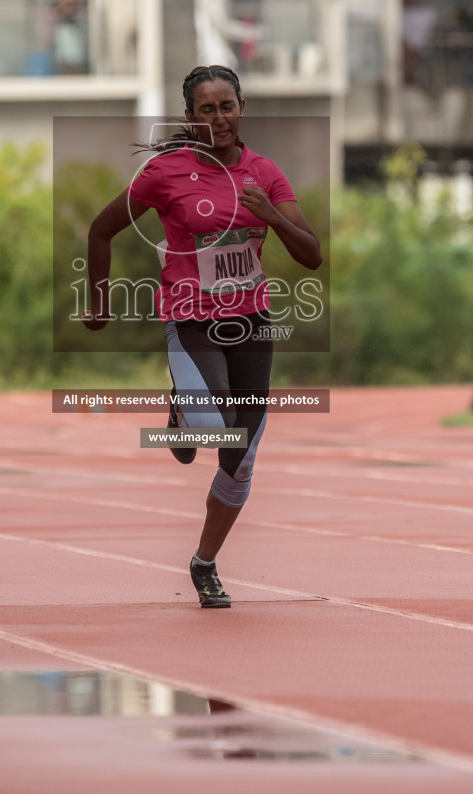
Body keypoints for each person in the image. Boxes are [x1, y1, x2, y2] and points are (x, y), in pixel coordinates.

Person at [83, 65, 323, 607]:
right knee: (218, 424)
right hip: (189, 316)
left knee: (240, 462)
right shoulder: (165, 172)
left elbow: (311, 256)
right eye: (207, 109)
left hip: (250, 321)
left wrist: (273, 217)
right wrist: (98, 302)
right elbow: (101, 230)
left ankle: (205, 563)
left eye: (228, 106)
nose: (219, 118)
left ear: (242, 108)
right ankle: (184, 412)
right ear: (190, 115)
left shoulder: (267, 174)